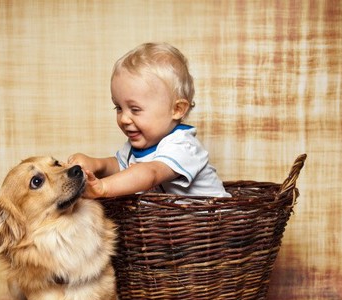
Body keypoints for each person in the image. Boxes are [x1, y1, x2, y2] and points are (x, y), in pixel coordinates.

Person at [69, 42, 230, 198]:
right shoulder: (138, 144)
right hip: (172, 223)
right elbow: (119, 166)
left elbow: (150, 173)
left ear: (177, 109)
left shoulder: (183, 145)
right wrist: (95, 164)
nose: (124, 118)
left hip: (212, 220)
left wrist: (104, 187)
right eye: (118, 107)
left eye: (135, 109)